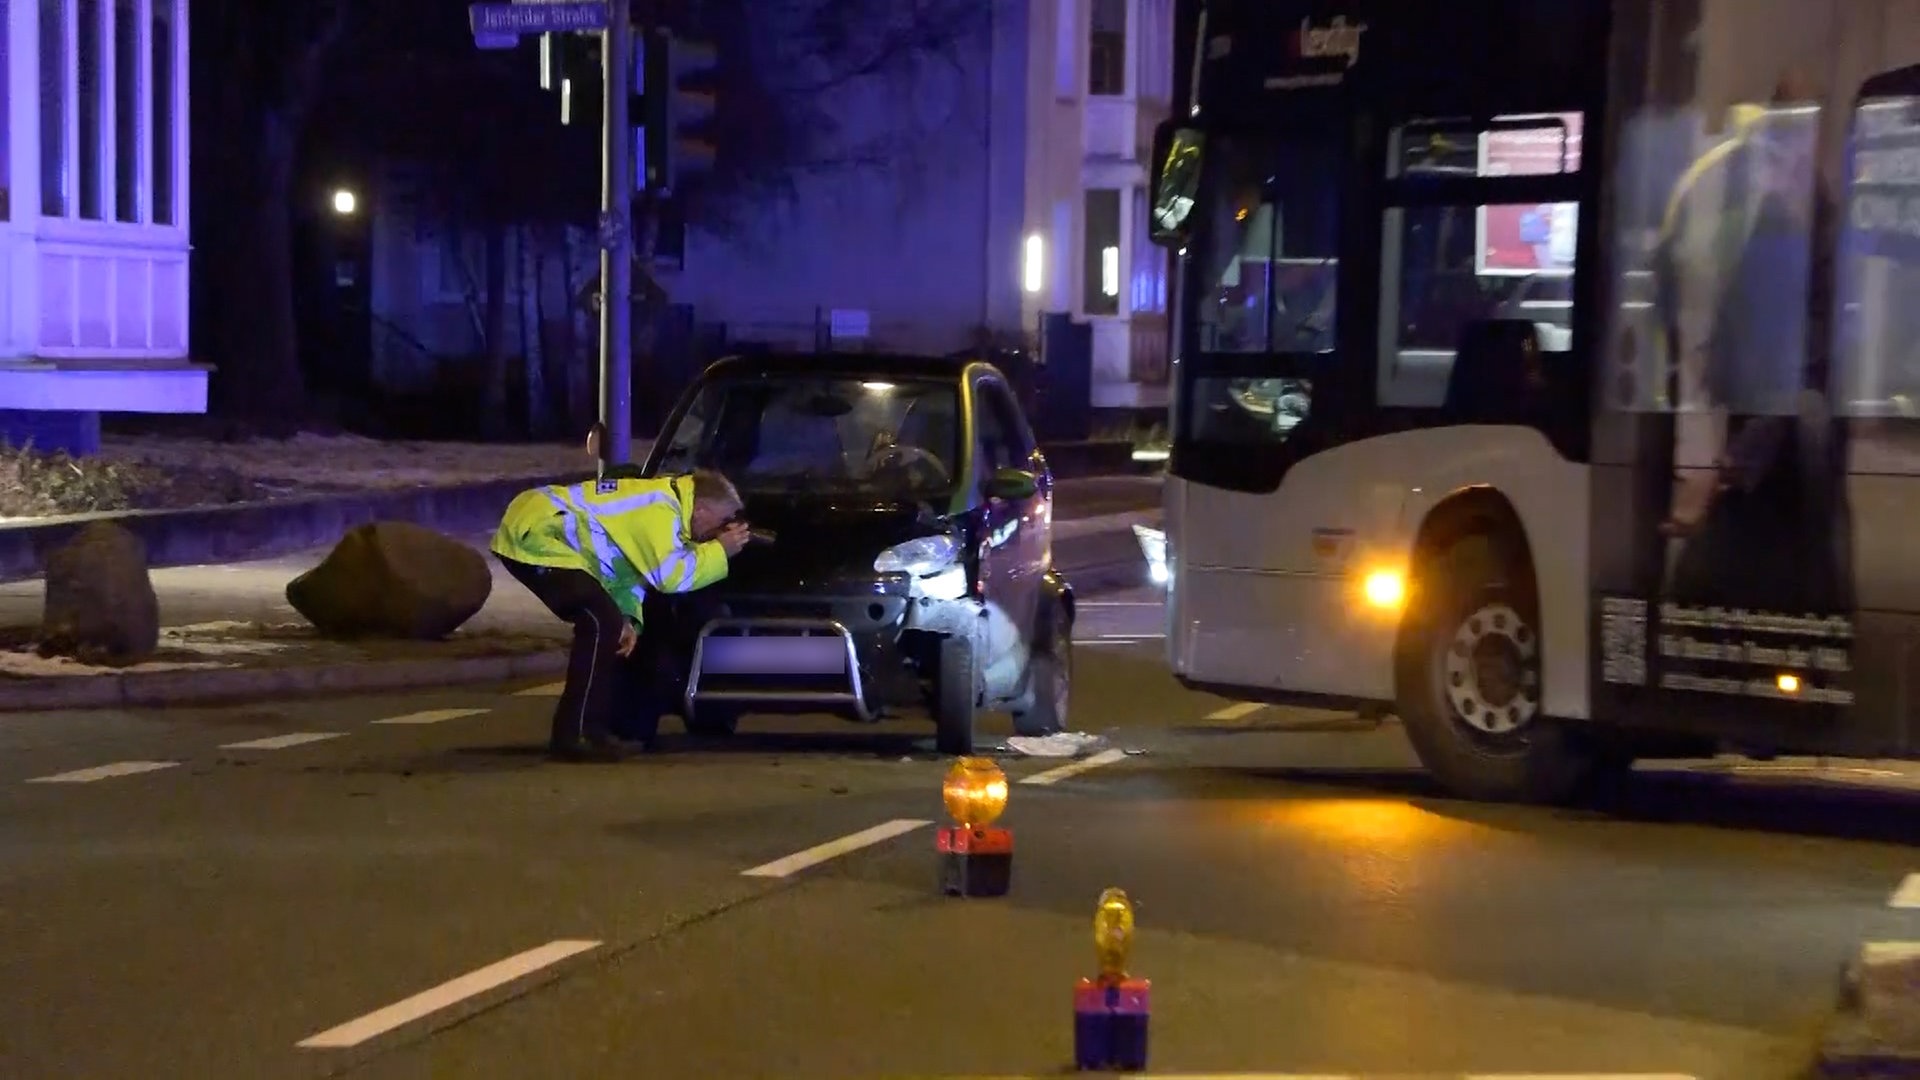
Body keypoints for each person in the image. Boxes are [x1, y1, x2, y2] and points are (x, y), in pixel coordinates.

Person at [491, 467, 751, 761]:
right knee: (600, 622)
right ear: (701, 509)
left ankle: (590, 732)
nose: (720, 530)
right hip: (537, 532)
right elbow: (670, 577)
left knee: (607, 623)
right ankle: (574, 735)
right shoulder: (659, 510)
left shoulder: (670, 508)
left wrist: (627, 618)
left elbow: (627, 573)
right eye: (722, 521)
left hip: (544, 528)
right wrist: (720, 551)